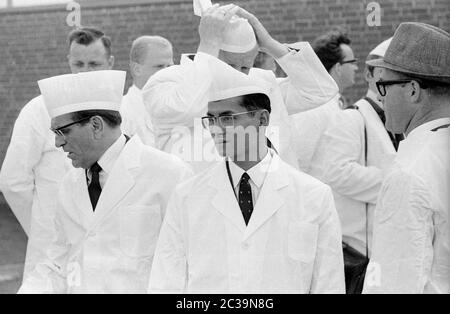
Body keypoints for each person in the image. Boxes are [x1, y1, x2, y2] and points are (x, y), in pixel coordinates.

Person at [148, 65, 345, 294]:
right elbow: (165, 283)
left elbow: (328, 284)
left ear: (262, 119)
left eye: (228, 118)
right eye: (210, 119)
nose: (216, 129)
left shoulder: (313, 195)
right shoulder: (187, 197)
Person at [18, 70, 191, 294]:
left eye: (63, 131)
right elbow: (57, 264)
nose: (57, 142)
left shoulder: (168, 174)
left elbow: (190, 261)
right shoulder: (70, 184)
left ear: (96, 125)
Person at [141, 4, 338, 172]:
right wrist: (208, 43)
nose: (238, 73)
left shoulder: (260, 82)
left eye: (245, 66)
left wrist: (270, 45)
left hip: (272, 196)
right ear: (210, 53)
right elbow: (187, 108)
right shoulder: (167, 81)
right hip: (201, 206)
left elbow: (320, 90)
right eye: (230, 65)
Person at [0, 27, 115, 279]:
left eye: (94, 64)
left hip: (111, 250)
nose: (85, 72)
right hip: (53, 250)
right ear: (68, 62)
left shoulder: (121, 111)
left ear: (110, 63)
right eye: (78, 63)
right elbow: (12, 180)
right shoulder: (39, 110)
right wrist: (44, 228)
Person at [362, 22, 450, 294]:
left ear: (412, 90)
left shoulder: (409, 173)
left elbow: (392, 284)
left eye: (384, 85)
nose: (380, 96)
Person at [290, 28, 358, 172]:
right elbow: (299, 159)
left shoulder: (333, 103)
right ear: (338, 68)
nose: (356, 68)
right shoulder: (315, 107)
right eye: (352, 62)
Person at [120, 36, 174, 146]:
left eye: (169, 66)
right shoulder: (121, 112)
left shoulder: (179, 107)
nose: (166, 72)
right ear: (137, 69)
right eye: (159, 66)